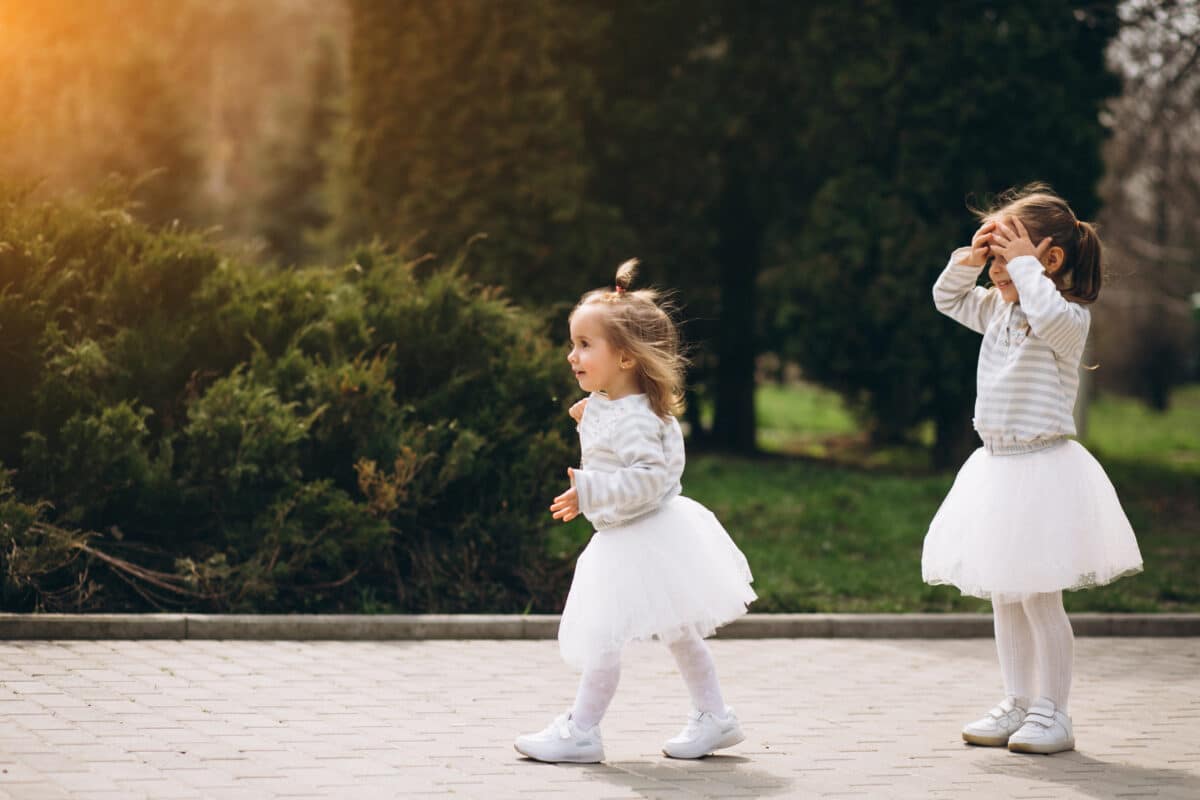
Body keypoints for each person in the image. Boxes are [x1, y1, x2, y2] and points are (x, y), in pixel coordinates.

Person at [922, 185, 1143, 755]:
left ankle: (1054, 713)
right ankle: (1017, 701)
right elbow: (946, 299)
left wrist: (1023, 267)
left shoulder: (1065, 319)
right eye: (993, 258)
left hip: (1043, 472)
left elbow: (1047, 311)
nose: (995, 269)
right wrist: (969, 260)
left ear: (1050, 260)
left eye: (1006, 257)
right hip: (997, 473)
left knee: (1041, 598)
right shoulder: (996, 310)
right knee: (1005, 594)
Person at [514, 260, 756, 763]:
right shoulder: (613, 404)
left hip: (643, 539)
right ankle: (714, 716)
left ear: (625, 358)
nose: (571, 355)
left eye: (584, 345)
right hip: (632, 538)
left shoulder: (640, 417)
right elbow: (617, 439)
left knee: (608, 636)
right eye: (573, 343)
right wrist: (589, 415)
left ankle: (582, 730)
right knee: (677, 631)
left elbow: (651, 478)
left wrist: (589, 490)